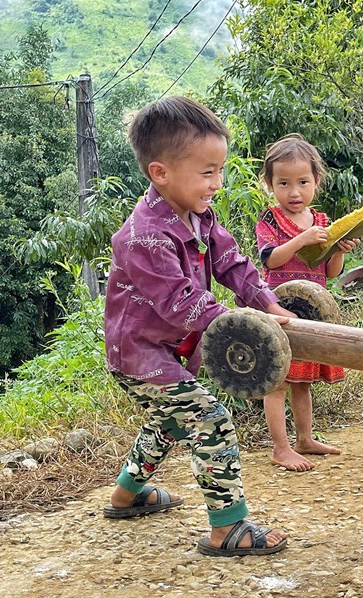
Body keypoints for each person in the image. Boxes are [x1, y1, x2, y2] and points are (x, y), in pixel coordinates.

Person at [103, 96, 292, 557]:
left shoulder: (199, 216)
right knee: (209, 418)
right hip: (139, 354)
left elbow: (233, 263)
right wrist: (243, 325)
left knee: (171, 419)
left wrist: (269, 303)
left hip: (166, 351)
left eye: (219, 170)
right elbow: (180, 302)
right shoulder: (144, 236)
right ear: (160, 173)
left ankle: (127, 495)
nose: (217, 183)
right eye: (207, 172)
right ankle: (227, 528)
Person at [255, 134, 359, 472]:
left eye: (303, 182)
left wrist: (338, 251)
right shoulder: (269, 220)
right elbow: (270, 260)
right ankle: (280, 448)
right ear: (270, 184)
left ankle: (304, 439)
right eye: (283, 183)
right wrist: (301, 239)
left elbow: (328, 271)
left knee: (302, 380)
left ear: (317, 180)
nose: (294, 192)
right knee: (279, 381)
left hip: (312, 309)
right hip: (279, 308)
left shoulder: (323, 222)